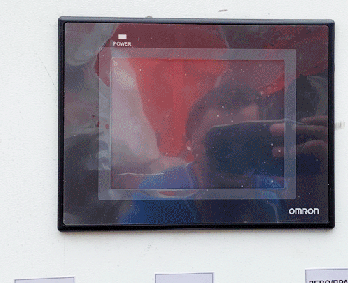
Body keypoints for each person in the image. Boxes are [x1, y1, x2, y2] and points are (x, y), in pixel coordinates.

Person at [121, 84, 282, 225]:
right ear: (190, 142)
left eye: (247, 140)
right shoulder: (157, 194)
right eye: (218, 141)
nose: (233, 152)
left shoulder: (275, 192)